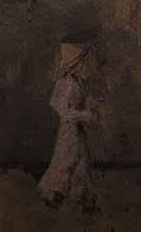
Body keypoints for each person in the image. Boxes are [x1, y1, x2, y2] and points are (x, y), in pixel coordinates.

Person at [37, 42, 98, 211]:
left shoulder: (76, 81)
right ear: (74, 62)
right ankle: (51, 192)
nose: (84, 64)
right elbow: (64, 112)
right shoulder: (65, 84)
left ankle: (82, 195)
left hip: (77, 127)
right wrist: (86, 115)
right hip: (69, 129)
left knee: (82, 160)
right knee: (66, 160)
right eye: (81, 60)